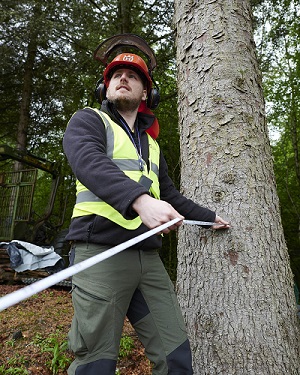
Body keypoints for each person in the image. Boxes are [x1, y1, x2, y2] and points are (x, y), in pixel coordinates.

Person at [63, 50, 230, 375]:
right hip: (101, 255)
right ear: (105, 88)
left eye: (133, 76)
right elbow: (88, 162)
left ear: (146, 94)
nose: (122, 79)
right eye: (115, 75)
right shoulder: (88, 120)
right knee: (96, 365)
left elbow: (167, 195)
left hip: (149, 262)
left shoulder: (152, 146)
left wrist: (209, 217)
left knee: (176, 359)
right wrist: (140, 201)